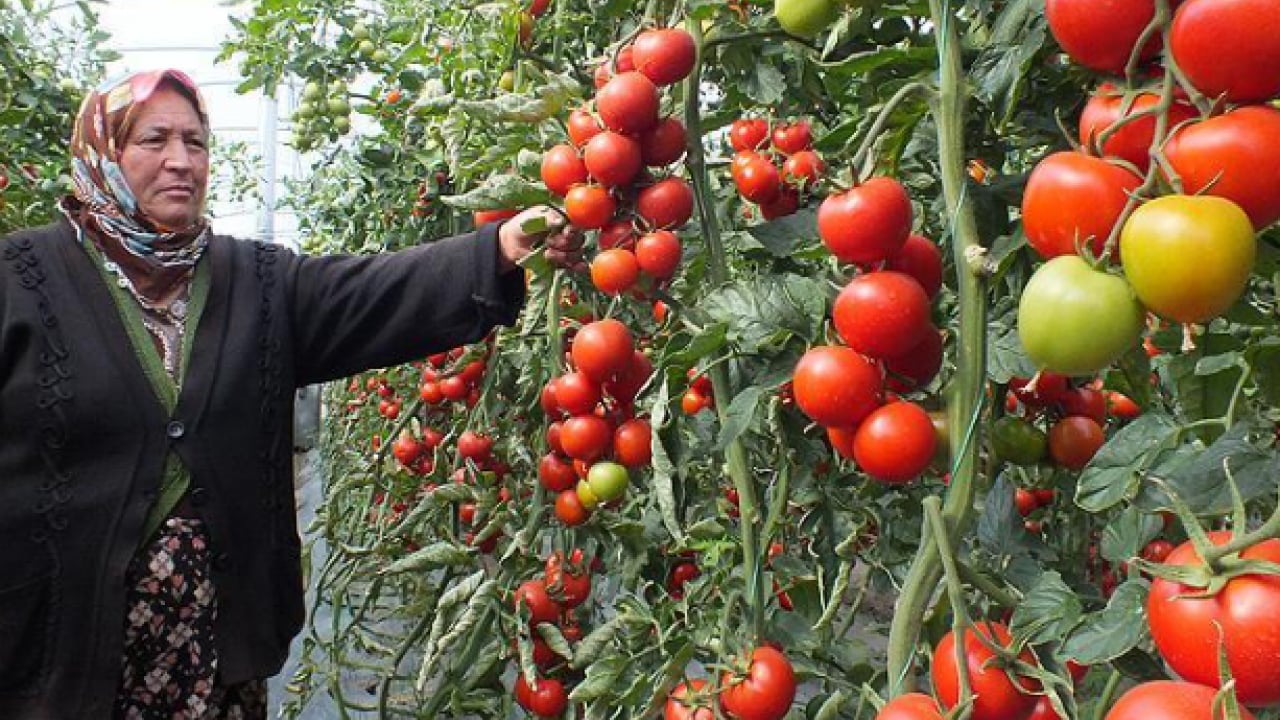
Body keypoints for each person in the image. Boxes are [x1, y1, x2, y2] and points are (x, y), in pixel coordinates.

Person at [0, 68, 583, 719]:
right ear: (101, 154)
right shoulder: (20, 283)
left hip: (220, 658)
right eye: (153, 140)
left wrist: (499, 247)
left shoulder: (258, 281)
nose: (181, 161)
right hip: (59, 660)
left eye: (195, 142)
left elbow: (372, 291)